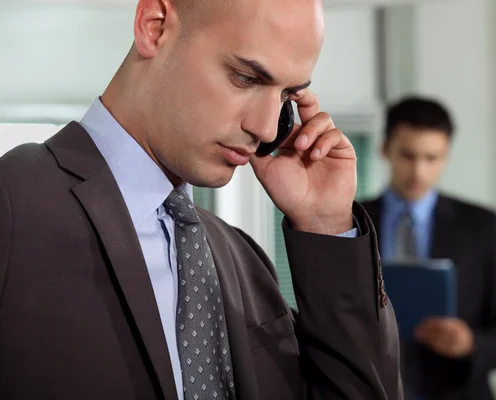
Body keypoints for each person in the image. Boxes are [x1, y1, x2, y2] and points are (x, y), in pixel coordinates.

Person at [0, 1, 402, 399]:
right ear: (154, 27)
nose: (265, 128)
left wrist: (325, 225)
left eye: (287, 97)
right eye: (245, 78)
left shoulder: (245, 261)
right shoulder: (12, 203)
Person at [361, 96, 496, 400]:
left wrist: (470, 343)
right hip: (373, 388)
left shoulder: (481, 226)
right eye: (408, 156)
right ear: (385, 150)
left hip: (458, 391)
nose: (419, 172)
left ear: (447, 155)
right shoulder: (354, 219)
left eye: (432, 158)